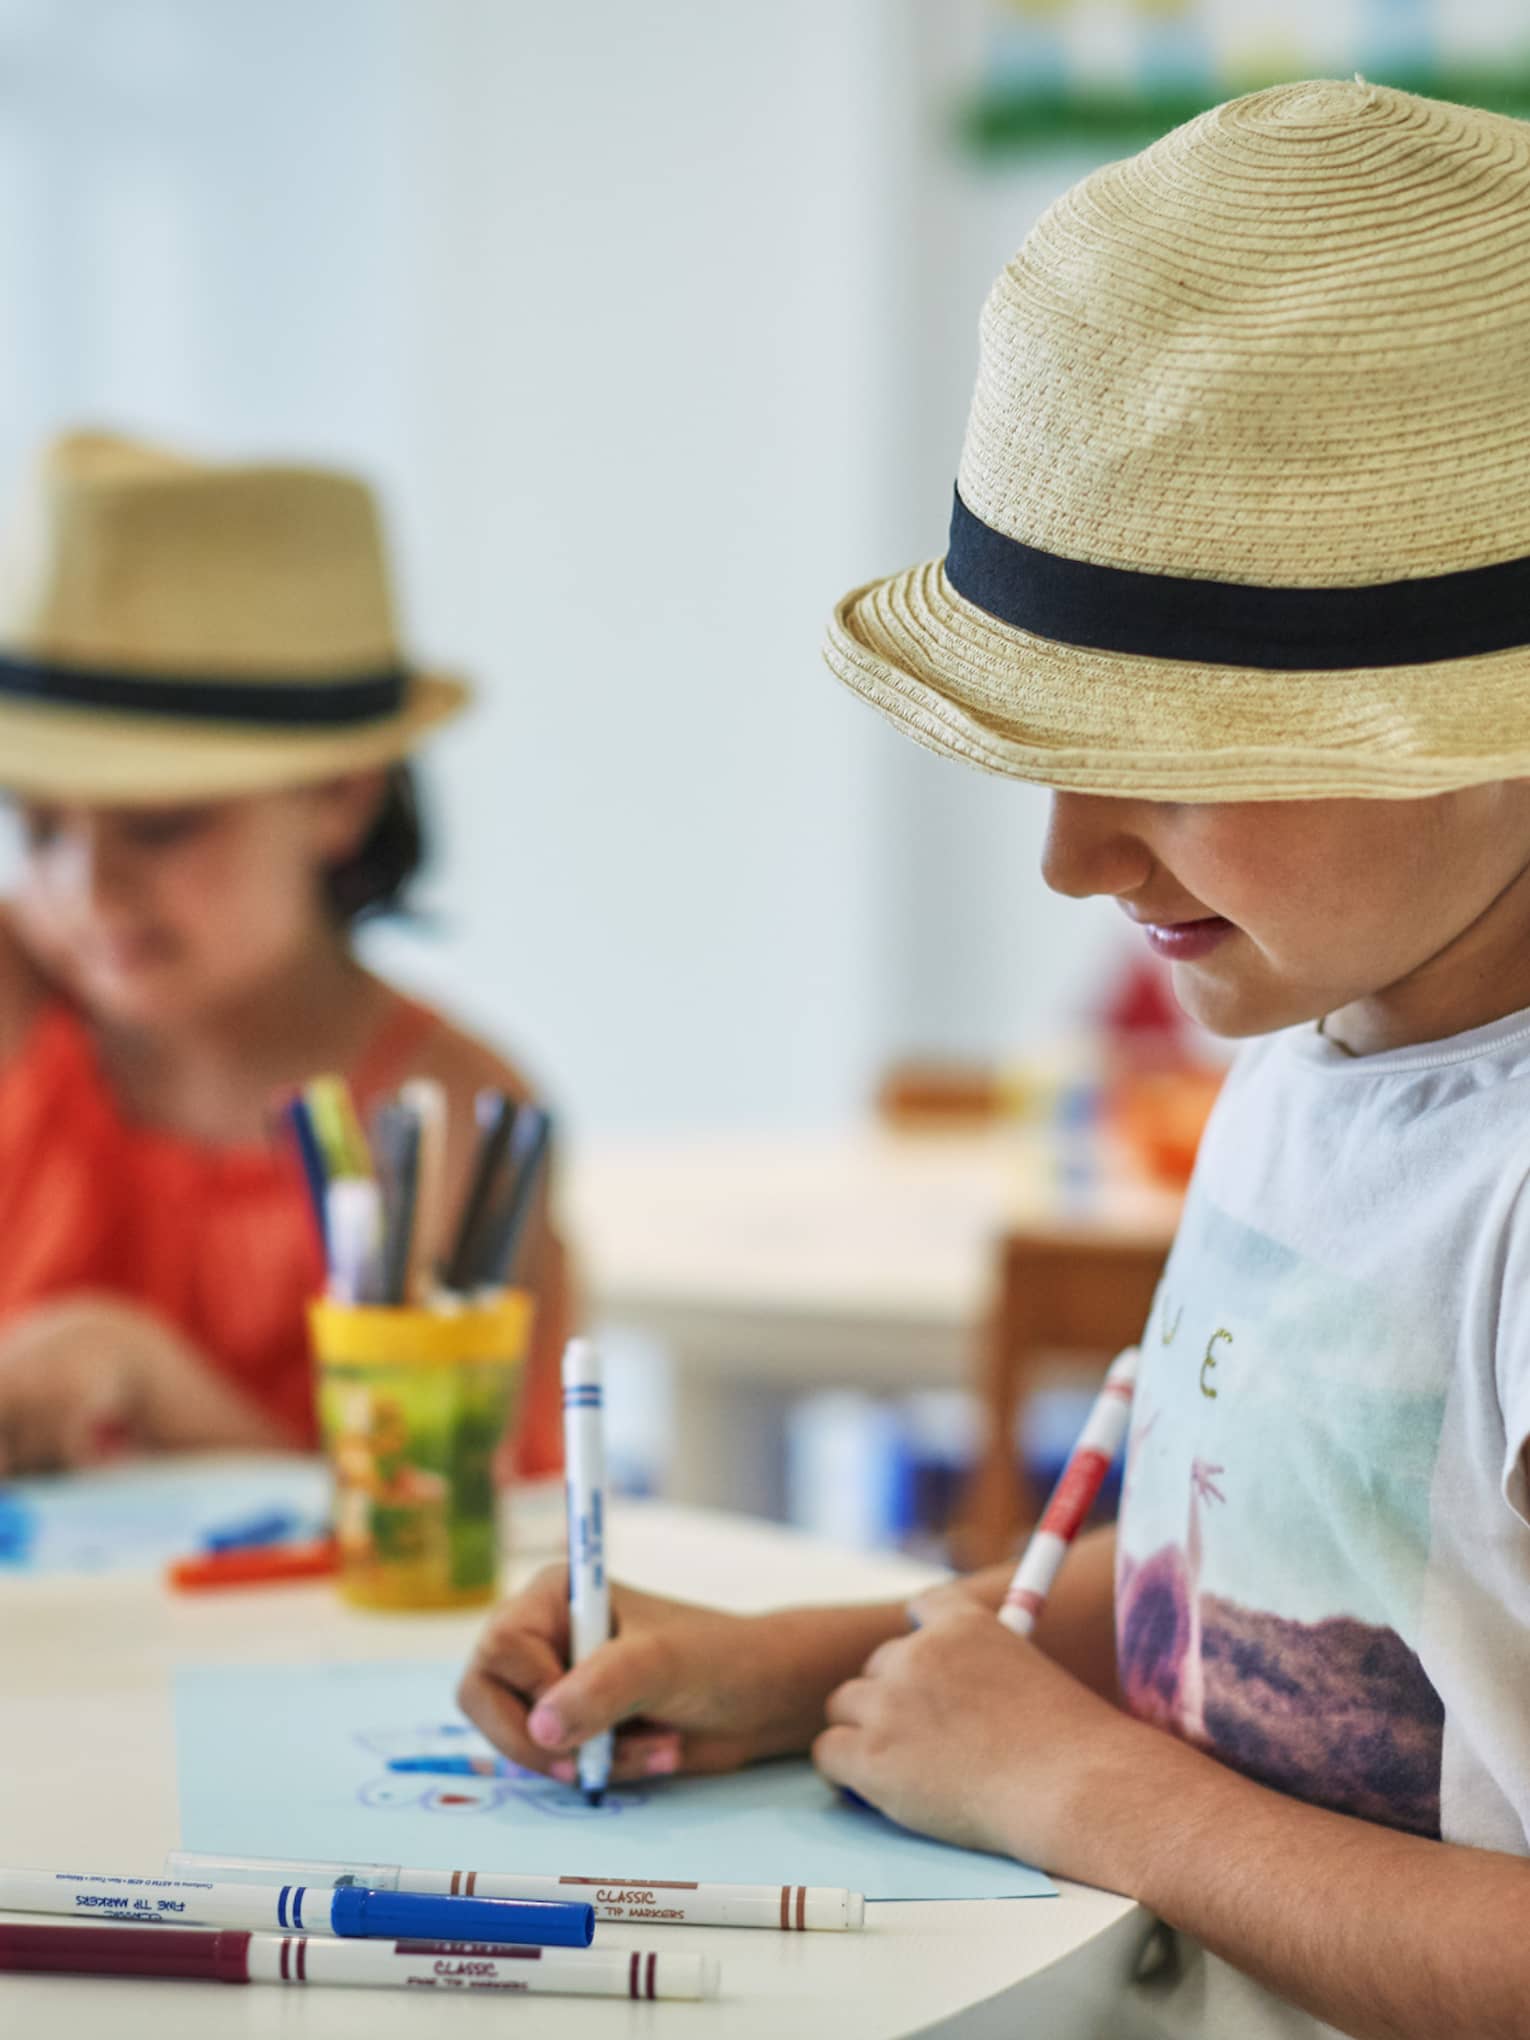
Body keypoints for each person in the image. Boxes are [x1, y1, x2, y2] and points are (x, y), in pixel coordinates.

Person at [458, 80, 1530, 2040]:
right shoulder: (1333, 1026)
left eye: (1182, 754)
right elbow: (1296, 1563)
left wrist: (1080, 1788)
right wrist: (839, 1658)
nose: (1072, 856)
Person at [0, 430, 567, 1479]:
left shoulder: (446, 1122)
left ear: (342, 797)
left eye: (160, 826)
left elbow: (441, 1519)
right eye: (36, 829)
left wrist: (149, 1380)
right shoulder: (22, 998)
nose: (85, 889)